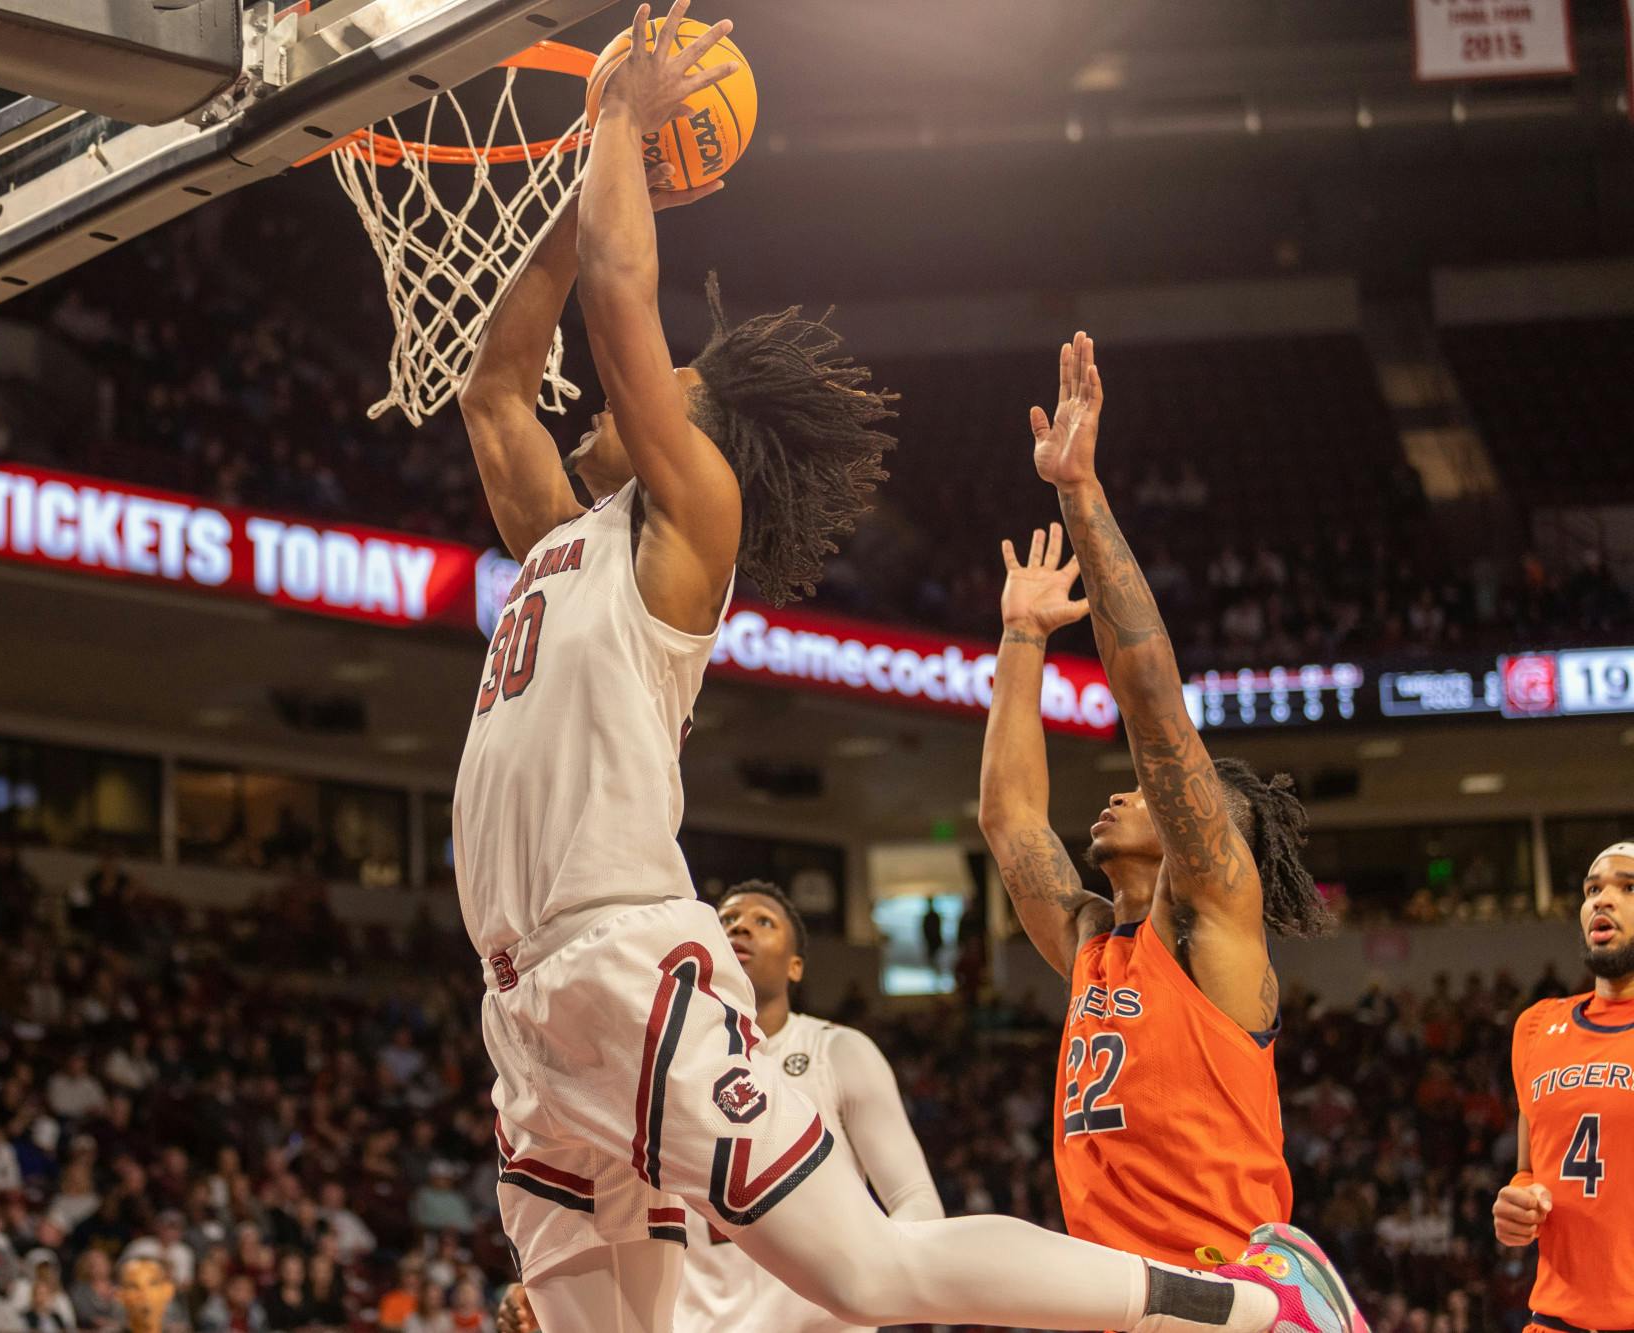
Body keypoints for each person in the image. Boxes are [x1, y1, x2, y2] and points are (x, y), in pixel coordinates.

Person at [455, 5, 1361, 1328]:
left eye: (670, 389)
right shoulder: (561, 540)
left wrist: (619, 122)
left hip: (618, 947)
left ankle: (1255, 1313)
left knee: (873, 1272)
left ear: (699, 434)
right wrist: (577, 181)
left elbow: (619, 302)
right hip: (522, 1004)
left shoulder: (691, 525)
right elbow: (493, 388)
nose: (617, 404)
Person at [1008, 335, 1337, 1267]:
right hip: (1124, 1299)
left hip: (1224, 1292)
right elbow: (1011, 822)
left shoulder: (1210, 918)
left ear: (1213, 832)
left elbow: (1153, 708)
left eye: (1157, 794)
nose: (1128, 789)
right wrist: (1023, 636)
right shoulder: (1090, 946)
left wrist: (1080, 495)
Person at [678, 881, 943, 1332]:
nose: (739, 926)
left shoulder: (838, 1051)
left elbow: (917, 1202)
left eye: (763, 921)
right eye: (726, 921)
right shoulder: (672, 1068)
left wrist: (867, 1280)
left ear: (795, 966)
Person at [1493, 841, 1634, 1331]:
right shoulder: (1536, 1026)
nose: (1603, 899)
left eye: (1628, 887)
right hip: (1552, 1322)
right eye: (1593, 889)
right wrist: (1518, 1205)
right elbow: (1528, 1170)